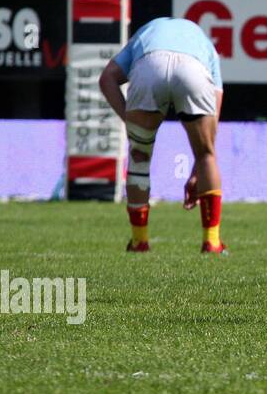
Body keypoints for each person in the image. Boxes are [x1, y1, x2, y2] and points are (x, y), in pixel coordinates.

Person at [97, 17, 228, 255]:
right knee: (207, 155)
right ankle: (212, 242)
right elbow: (216, 100)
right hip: (193, 70)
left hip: (150, 66)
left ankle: (139, 241)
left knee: (139, 156)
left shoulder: (145, 32)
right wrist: (200, 163)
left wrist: (131, 121)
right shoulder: (204, 41)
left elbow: (107, 78)